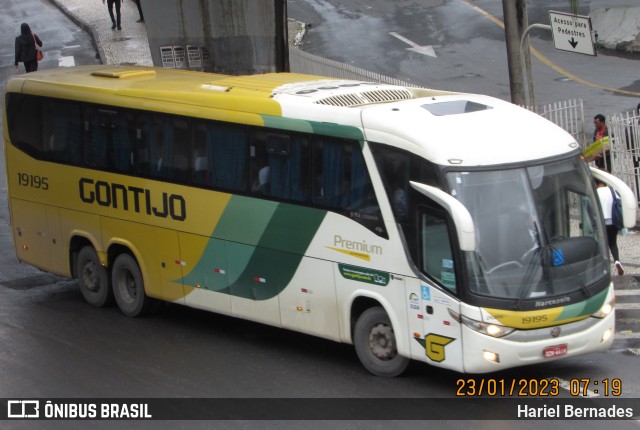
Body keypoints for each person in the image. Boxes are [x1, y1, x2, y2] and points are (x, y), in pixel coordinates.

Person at [596, 179, 624, 276]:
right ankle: (617, 261)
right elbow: (619, 202)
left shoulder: (595, 193)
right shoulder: (612, 190)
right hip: (613, 221)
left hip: (601, 223)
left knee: (603, 244)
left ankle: (604, 267)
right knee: (613, 243)